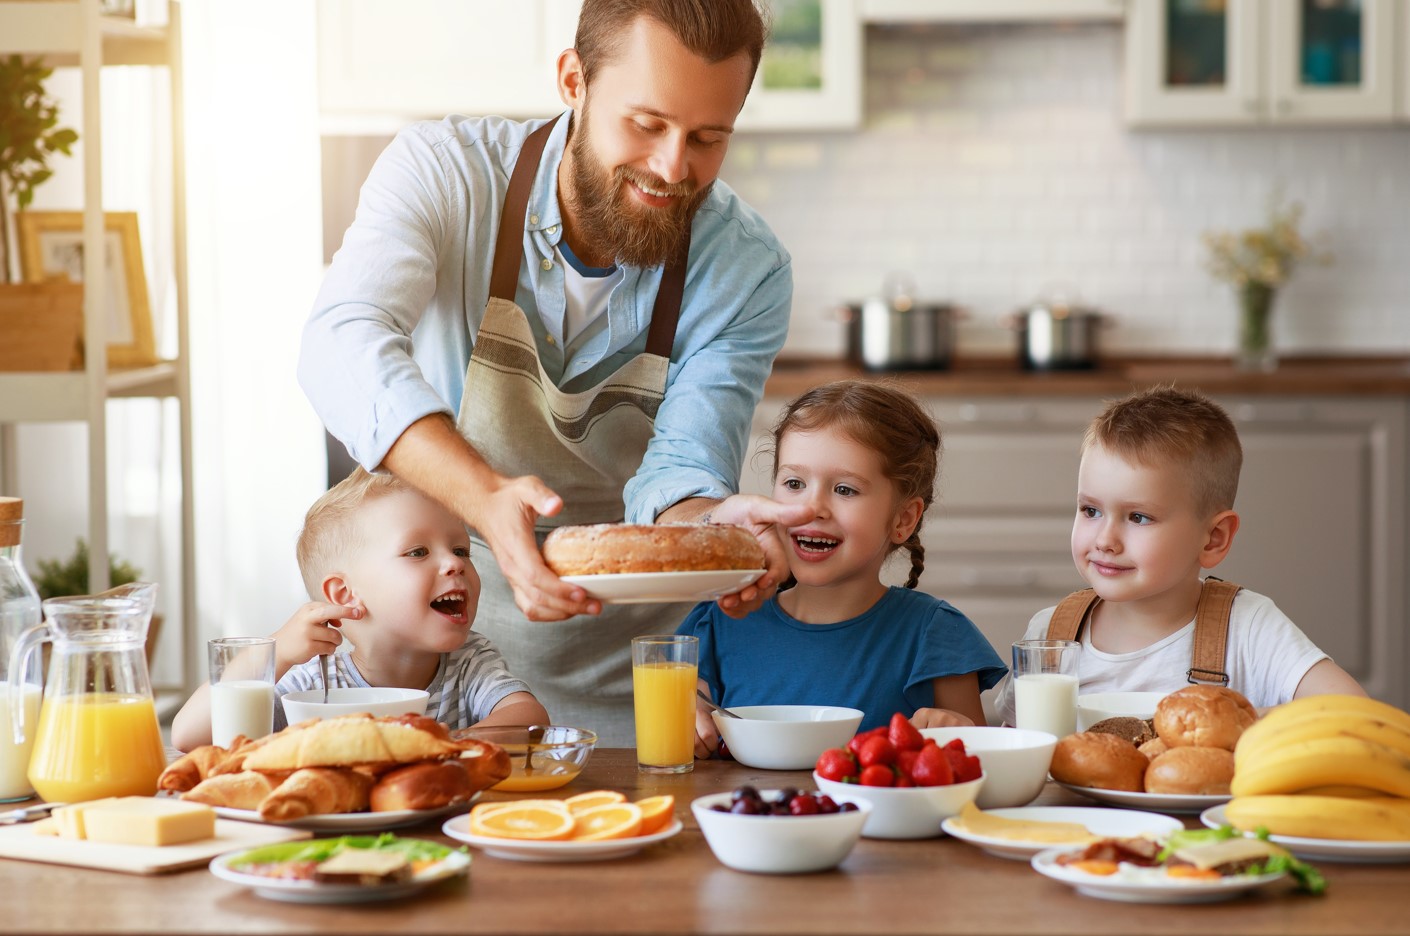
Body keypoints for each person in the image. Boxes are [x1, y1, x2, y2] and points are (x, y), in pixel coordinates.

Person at [297, 0, 810, 745]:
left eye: (708, 137)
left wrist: (715, 531)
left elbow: (683, 468)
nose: (674, 168)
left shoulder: (745, 268)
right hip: (438, 689)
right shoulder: (446, 176)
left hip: (643, 698)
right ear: (574, 80)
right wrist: (484, 497)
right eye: (646, 124)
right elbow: (339, 341)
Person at [993, 385, 1364, 727]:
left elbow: (1351, 710)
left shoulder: (1248, 627)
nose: (1105, 539)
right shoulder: (1051, 635)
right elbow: (1015, 743)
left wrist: (1234, 723)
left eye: (1138, 517)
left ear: (1213, 539)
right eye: (1090, 510)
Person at [677, 380, 1008, 756]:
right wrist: (689, 715)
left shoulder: (936, 637)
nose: (811, 507)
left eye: (845, 490)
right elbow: (682, 720)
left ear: (903, 518)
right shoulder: (719, 619)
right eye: (794, 483)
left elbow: (978, 764)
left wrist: (961, 736)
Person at [171, 469, 547, 752]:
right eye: (418, 552)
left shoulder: (469, 662)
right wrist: (277, 651)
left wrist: (446, 747)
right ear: (346, 594)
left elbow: (529, 718)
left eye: (461, 549)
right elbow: (190, 734)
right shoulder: (315, 682)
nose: (454, 563)